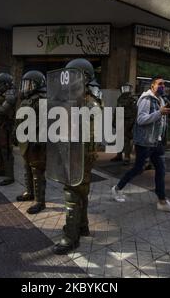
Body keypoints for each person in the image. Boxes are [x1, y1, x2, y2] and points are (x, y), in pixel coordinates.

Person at [53, 59, 103, 255]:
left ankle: (71, 238)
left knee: (71, 192)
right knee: (81, 190)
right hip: (83, 153)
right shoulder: (88, 99)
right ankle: (82, 226)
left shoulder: (85, 101)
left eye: (71, 77)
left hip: (78, 153)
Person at [111, 76, 170, 213]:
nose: (163, 86)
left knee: (161, 170)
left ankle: (162, 201)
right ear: (152, 86)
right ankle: (117, 188)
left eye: (164, 84)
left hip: (157, 141)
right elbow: (141, 120)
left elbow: (159, 120)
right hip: (145, 142)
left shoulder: (161, 99)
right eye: (160, 84)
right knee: (138, 168)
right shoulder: (146, 99)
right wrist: (160, 112)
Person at [15, 71, 48, 214]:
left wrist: (40, 139)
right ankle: (30, 192)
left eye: (29, 84)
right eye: (25, 84)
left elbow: (46, 122)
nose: (26, 87)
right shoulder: (27, 99)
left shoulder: (42, 99)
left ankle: (40, 202)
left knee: (37, 172)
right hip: (26, 140)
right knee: (27, 168)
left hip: (36, 142)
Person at [110, 83, 137, 165]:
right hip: (119, 121)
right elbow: (116, 110)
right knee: (118, 139)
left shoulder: (132, 99)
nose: (125, 89)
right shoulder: (120, 98)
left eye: (127, 88)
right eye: (124, 88)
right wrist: (114, 122)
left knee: (126, 140)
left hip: (127, 122)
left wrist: (131, 124)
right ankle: (119, 155)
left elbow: (134, 113)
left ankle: (127, 157)